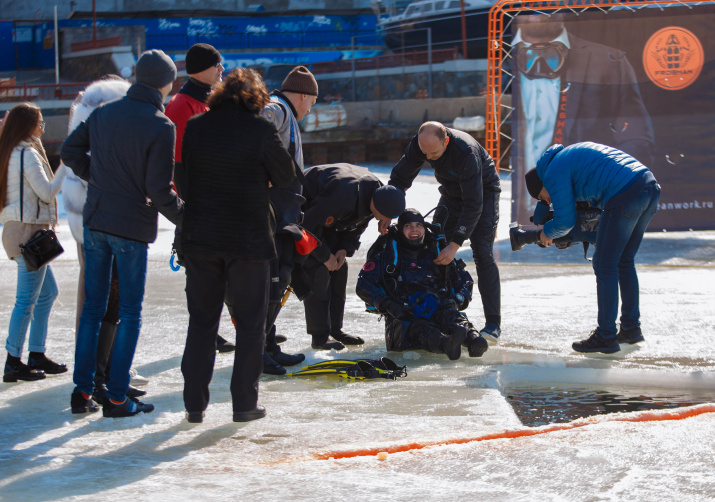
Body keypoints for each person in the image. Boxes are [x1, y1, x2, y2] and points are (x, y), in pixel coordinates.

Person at [61, 49, 183, 417]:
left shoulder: (103, 114)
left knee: (93, 310)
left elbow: (69, 151)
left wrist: (97, 179)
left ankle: (82, 393)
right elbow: (159, 189)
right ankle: (116, 397)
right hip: (130, 227)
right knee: (129, 311)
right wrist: (188, 218)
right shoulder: (160, 125)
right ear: (166, 83)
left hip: (96, 221)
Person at [179, 68, 296, 423]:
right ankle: (244, 403)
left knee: (201, 322)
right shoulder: (260, 129)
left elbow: (182, 180)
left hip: (200, 238)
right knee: (249, 325)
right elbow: (286, 175)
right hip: (248, 240)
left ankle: (194, 405)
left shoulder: (197, 126)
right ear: (256, 99)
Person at [511, 15, 655, 219]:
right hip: (522, 211)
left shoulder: (609, 60)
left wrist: (613, 191)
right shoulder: (497, 57)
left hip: (591, 208)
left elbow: (638, 137)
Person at [524, 141, 660, 354]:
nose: (546, 200)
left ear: (542, 183)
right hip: (648, 185)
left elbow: (565, 221)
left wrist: (546, 233)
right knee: (624, 260)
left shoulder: (552, 172)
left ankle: (606, 335)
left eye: (542, 197)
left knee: (605, 264)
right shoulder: (566, 158)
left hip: (625, 192)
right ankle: (631, 329)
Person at [62, 75, 149, 400]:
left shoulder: (85, 108)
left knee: (95, 303)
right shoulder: (114, 107)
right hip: (109, 215)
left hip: (86, 215)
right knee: (113, 303)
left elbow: (73, 155)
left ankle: (92, 382)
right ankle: (106, 379)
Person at [389, 121, 502, 343]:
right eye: (425, 153)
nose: (429, 158)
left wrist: (456, 244)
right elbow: (400, 178)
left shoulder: (465, 152)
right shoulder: (421, 145)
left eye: (435, 153)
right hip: (451, 192)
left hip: (483, 195)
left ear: (446, 141)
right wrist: (387, 210)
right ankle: (436, 311)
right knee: (433, 245)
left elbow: (473, 204)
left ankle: (493, 324)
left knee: (482, 253)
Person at [165, 43, 235, 354]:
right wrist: (192, 209)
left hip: (216, 202)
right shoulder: (181, 105)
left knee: (221, 272)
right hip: (198, 206)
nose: (223, 69)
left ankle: (228, 328)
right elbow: (178, 164)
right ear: (202, 68)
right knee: (203, 274)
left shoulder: (207, 102)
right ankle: (207, 332)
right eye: (218, 64)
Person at [297, 163, 406, 350]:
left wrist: (343, 250)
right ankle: (319, 337)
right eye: (384, 217)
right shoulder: (342, 197)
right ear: (375, 204)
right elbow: (306, 225)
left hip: (328, 220)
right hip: (301, 214)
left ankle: (335, 329)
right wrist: (324, 256)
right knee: (319, 270)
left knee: (340, 268)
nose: (384, 222)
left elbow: (358, 224)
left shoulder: (379, 194)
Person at [357, 209, 489, 360]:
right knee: (418, 327)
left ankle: (472, 338)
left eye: (418, 225)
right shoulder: (388, 256)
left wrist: (459, 298)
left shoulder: (436, 252)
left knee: (452, 316)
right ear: (400, 229)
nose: (414, 230)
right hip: (404, 318)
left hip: (437, 309)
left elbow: (464, 279)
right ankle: (445, 343)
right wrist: (389, 305)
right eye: (408, 226)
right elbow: (363, 285)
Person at [256, 64, 318, 374]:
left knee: (280, 279)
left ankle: (267, 345)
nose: (312, 107)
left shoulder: (286, 115)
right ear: (304, 96)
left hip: (284, 213)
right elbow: (255, 139)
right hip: (272, 213)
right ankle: (258, 351)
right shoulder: (277, 109)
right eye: (313, 100)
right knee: (273, 281)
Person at [0, 102, 67, 382]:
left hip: (25, 232)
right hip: (27, 235)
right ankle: (13, 361)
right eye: (40, 122)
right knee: (26, 300)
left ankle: (36, 353)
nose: (43, 127)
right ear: (28, 125)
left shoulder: (14, 151)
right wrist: (66, 164)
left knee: (47, 293)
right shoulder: (26, 153)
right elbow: (47, 191)